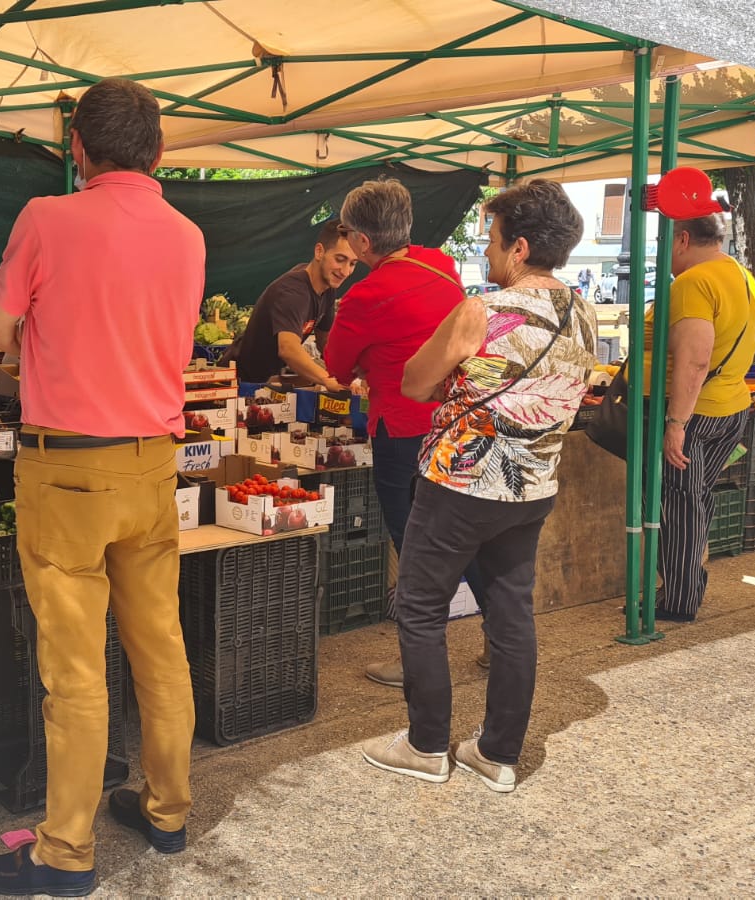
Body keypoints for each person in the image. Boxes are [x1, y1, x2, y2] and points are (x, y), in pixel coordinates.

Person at [0, 77, 202, 897]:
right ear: (159, 150)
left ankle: (64, 852)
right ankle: (168, 811)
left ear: (78, 147)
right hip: (153, 463)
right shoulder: (188, 234)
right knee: (159, 648)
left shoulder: (46, 217)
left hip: (66, 468)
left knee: (74, 669)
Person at [360, 179, 596, 794]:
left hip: (461, 483)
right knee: (510, 614)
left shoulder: (481, 311)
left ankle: (426, 743)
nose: (486, 254)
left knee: (419, 607)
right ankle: (497, 754)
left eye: (492, 241)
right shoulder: (583, 311)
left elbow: (414, 382)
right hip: (532, 486)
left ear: (519, 248)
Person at [323, 178, 487, 689]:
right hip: (455, 424)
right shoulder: (441, 266)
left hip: (401, 430)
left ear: (362, 243)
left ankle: (420, 662)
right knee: (465, 537)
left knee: (412, 543)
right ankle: (497, 642)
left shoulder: (364, 296)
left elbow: (335, 364)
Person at [647, 213, 755, 622]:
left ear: (681, 239)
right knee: (694, 501)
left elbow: (695, 360)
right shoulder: (740, 274)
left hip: (697, 413)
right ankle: (687, 586)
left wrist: (676, 423)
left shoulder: (695, 282)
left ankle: (677, 599)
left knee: (680, 507)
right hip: (732, 405)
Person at [233, 219, 357, 387]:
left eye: (352, 264)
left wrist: (348, 373)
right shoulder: (293, 292)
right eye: (340, 259)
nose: (345, 271)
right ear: (319, 252)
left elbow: (325, 343)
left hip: (271, 382)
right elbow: (288, 349)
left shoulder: (327, 287)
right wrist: (328, 380)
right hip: (239, 385)